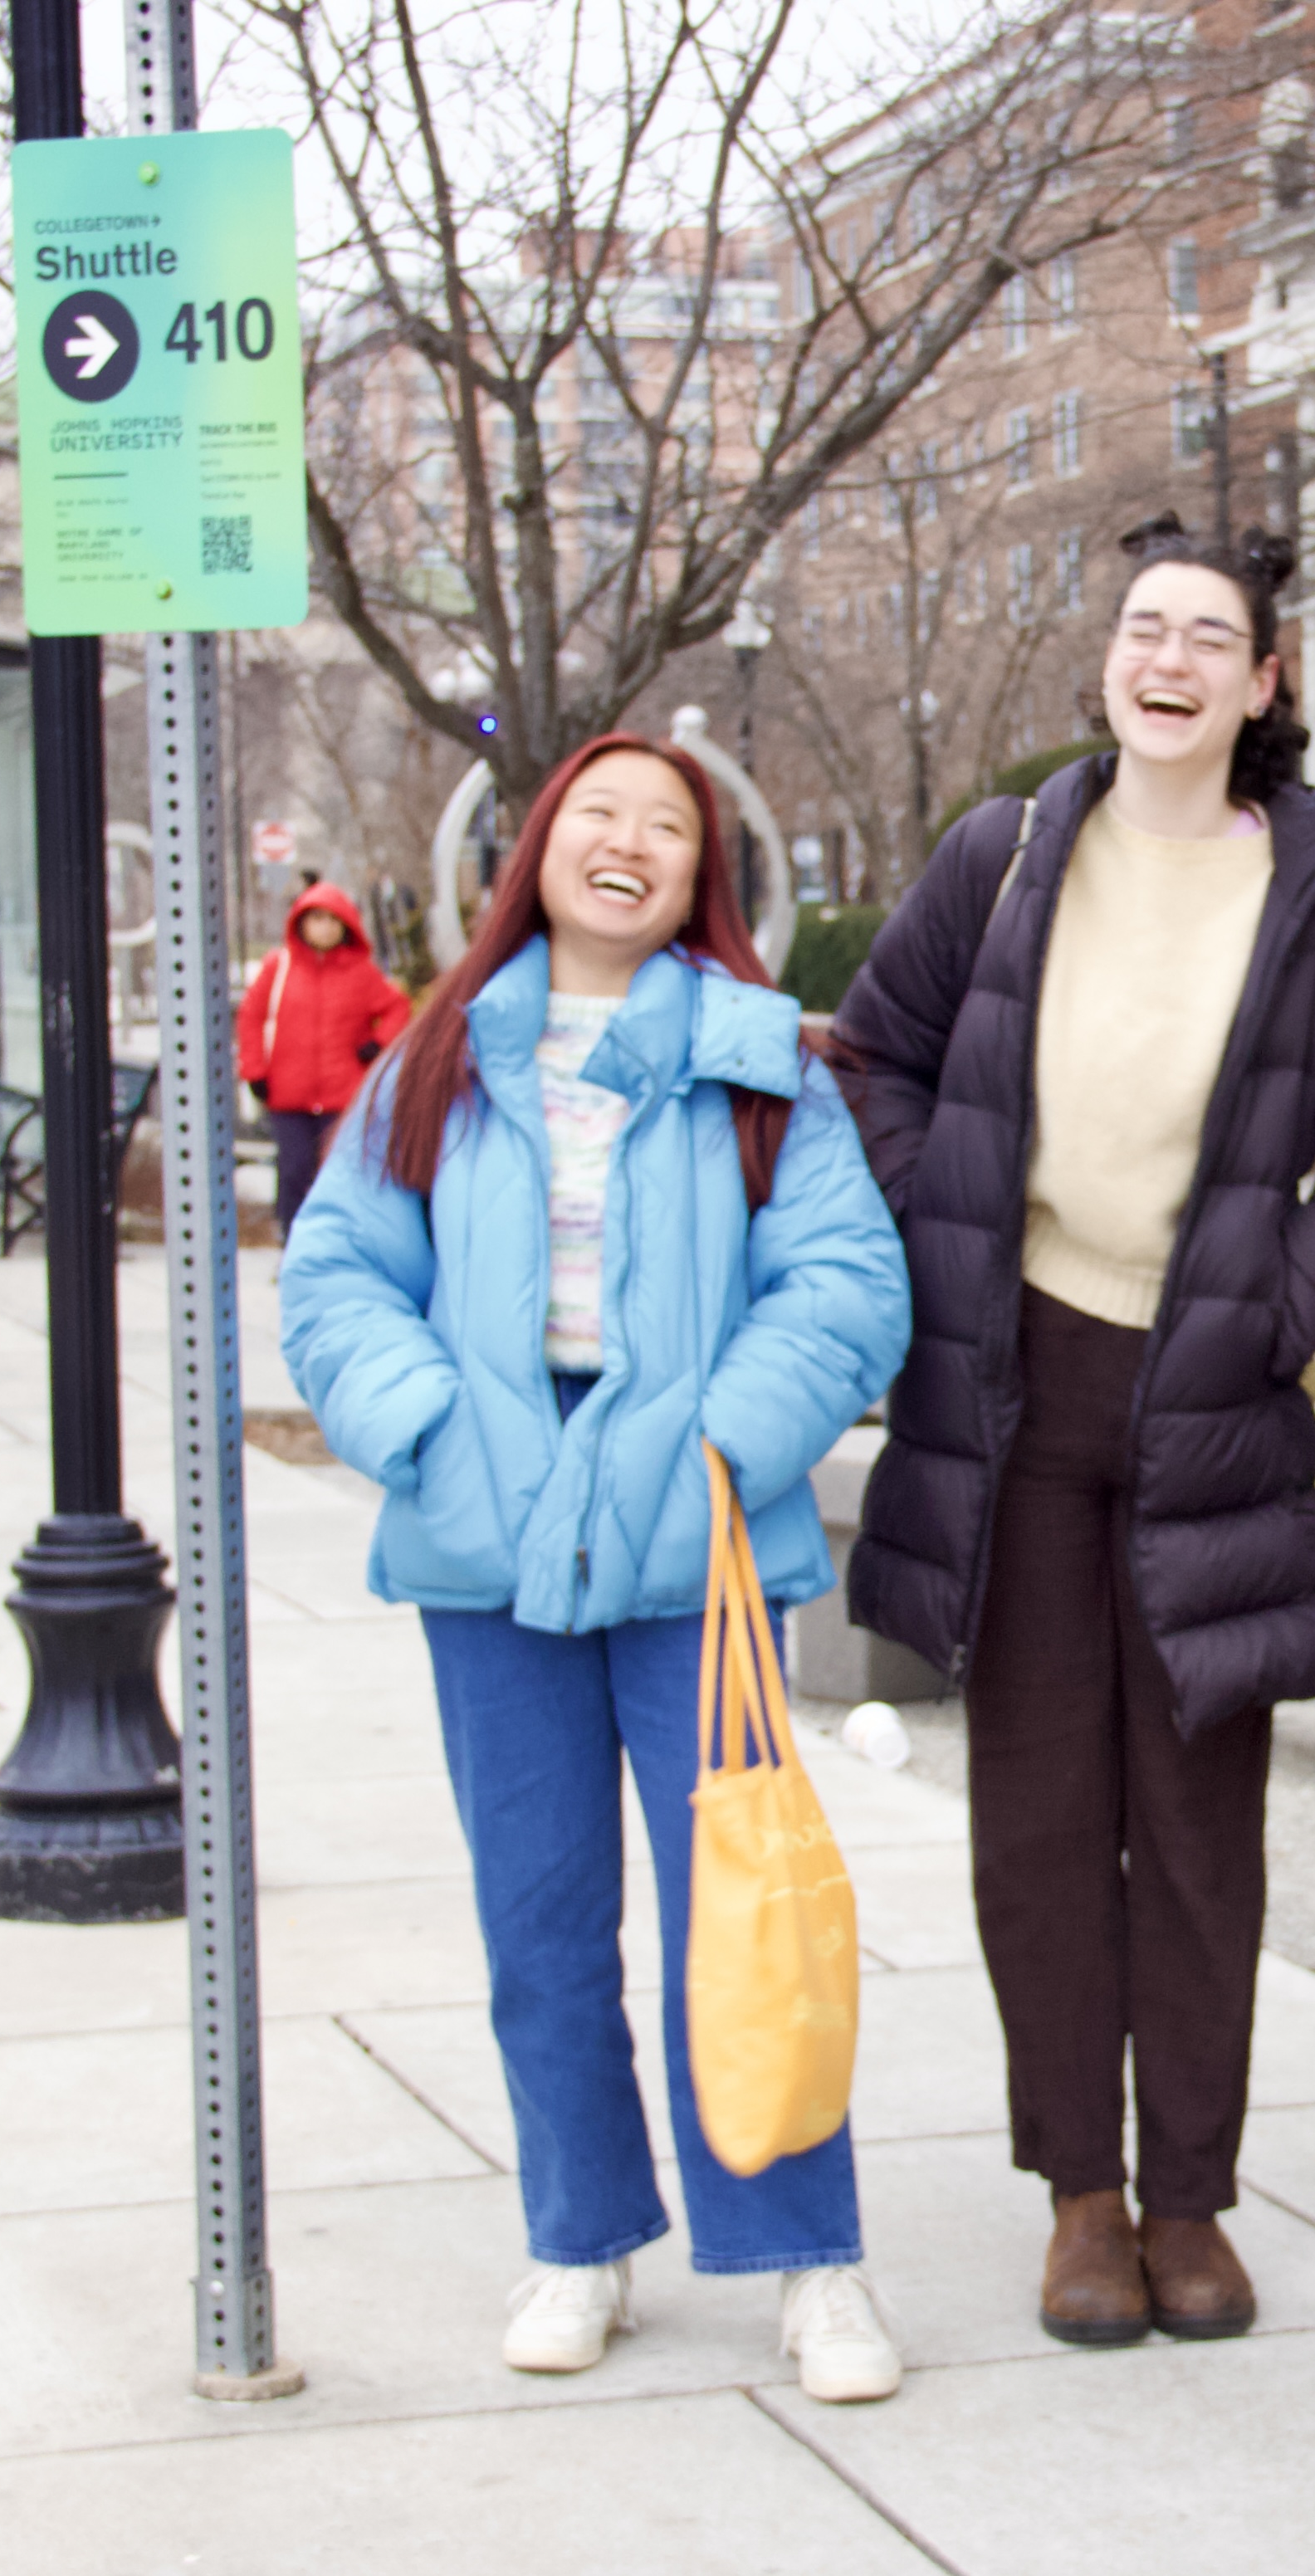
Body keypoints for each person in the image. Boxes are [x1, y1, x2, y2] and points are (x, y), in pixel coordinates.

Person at [833, 515, 1315, 2350]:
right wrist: (945, 1228)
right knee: (1037, 1816)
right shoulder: (1010, 850)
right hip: (1014, 1392)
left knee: (1198, 1822)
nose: (1165, 656)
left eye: (1209, 635)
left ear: (1264, 682)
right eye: (1139, 626)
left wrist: (1269, 1306)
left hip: (1206, 1409)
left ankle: (1190, 2196)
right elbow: (872, 1053)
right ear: (1109, 660)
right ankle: (1080, 2203)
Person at [279, 735, 914, 2401]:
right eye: (597, 816)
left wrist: (717, 1444)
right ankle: (579, 2237)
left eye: (667, 827)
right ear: (539, 846)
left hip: (693, 1548)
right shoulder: (436, 1052)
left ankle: (803, 2256)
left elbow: (843, 1283)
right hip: (488, 1545)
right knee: (539, 1922)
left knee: (745, 1914)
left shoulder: (764, 1063)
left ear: (705, 875)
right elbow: (338, 1275)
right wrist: (423, 1427)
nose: (627, 843)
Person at [238, 874, 413, 1232]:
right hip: (289, 1095)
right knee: (293, 1169)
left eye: (334, 920)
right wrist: (254, 1070)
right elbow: (251, 1016)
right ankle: (292, 1242)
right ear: (301, 923)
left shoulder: (361, 974)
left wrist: (377, 1044)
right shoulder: (279, 967)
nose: (325, 928)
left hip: (341, 1096)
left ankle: (335, 1244)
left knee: (339, 1172)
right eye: (317, 918)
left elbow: (398, 1008)